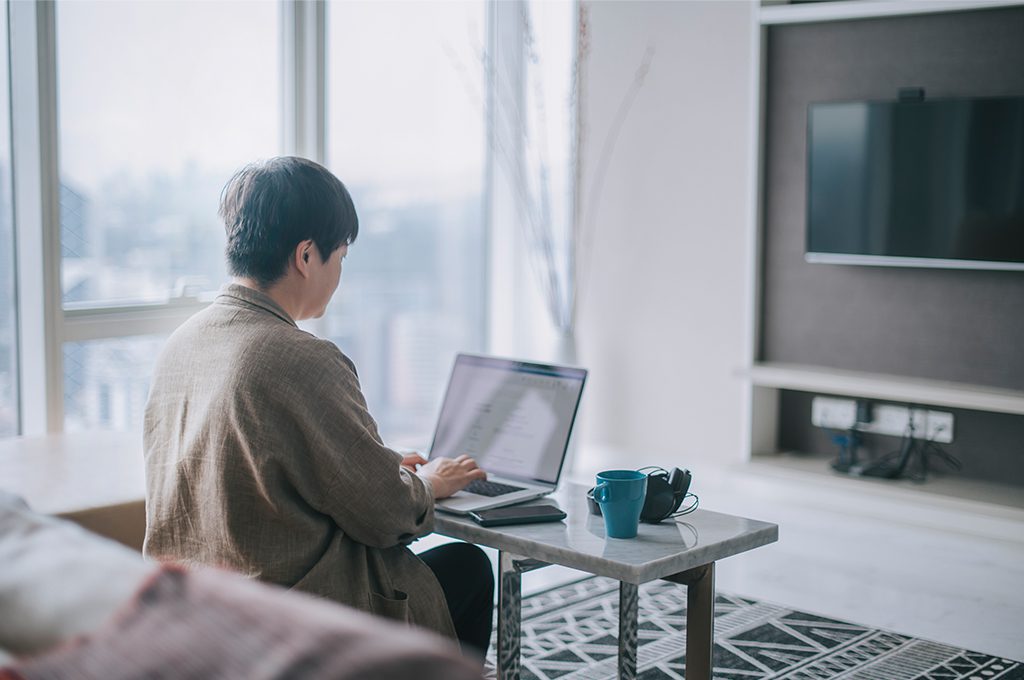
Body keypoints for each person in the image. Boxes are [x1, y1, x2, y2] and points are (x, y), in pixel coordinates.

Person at [142, 156, 495, 658]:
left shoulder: (182, 344)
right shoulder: (302, 358)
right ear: (307, 256)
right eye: (341, 257)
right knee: (468, 567)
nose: (339, 274)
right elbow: (386, 515)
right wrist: (429, 483)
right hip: (290, 623)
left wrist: (379, 464)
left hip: (198, 614)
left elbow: (247, 470)